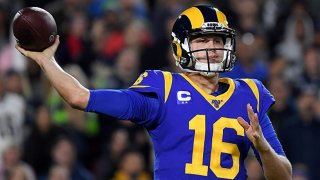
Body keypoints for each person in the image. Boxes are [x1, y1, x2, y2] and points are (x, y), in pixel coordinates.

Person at [15, 5, 292, 179]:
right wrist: (46, 60)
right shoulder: (164, 89)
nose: (212, 47)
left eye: (218, 40)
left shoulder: (249, 94)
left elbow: (284, 176)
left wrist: (262, 147)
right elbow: (80, 97)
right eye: (202, 40)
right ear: (181, 47)